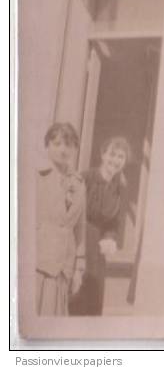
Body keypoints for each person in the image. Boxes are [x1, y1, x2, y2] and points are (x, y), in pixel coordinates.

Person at [69, 137, 131, 316]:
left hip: (98, 246)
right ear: (103, 155)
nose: (115, 160)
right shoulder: (85, 177)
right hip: (78, 238)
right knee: (76, 290)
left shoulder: (121, 186)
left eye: (121, 157)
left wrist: (110, 238)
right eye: (112, 154)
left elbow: (116, 221)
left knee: (94, 294)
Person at [36, 123, 85, 316]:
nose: (63, 149)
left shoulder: (79, 183)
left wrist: (79, 268)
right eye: (57, 143)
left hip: (64, 268)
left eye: (69, 144)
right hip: (39, 265)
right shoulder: (36, 177)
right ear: (47, 146)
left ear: (75, 148)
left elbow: (79, 228)